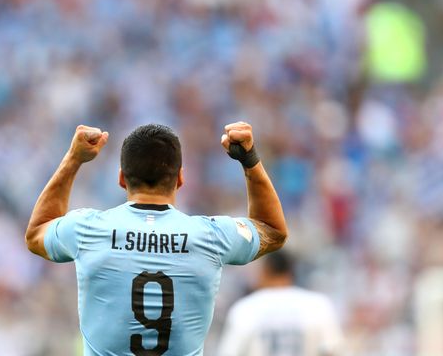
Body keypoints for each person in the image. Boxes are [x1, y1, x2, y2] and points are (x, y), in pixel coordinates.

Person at [25, 122, 288, 356]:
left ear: (121, 179)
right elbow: (272, 230)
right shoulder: (211, 236)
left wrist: (74, 158)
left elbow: (38, 232)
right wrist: (249, 159)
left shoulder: (87, 229)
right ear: (180, 179)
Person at [217, 251, 343, 356]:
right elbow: (333, 351)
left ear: (265, 271)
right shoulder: (318, 306)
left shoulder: (245, 309)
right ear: (291, 272)